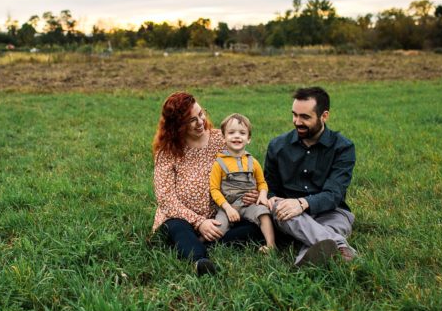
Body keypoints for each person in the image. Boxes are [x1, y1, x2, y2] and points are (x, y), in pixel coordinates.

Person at [152, 92, 265, 276]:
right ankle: (199, 260)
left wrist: (251, 192)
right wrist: (199, 223)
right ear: (177, 125)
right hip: (182, 217)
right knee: (177, 227)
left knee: (258, 224)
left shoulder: (220, 139)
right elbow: (166, 199)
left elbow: (245, 167)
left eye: (201, 114)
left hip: (222, 214)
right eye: (191, 120)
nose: (200, 122)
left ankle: (207, 240)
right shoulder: (167, 152)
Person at [264, 86, 357, 266]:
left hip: (331, 211)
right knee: (279, 207)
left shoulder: (343, 147)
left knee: (333, 226)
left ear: (324, 116)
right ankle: (341, 249)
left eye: (305, 117)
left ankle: (304, 265)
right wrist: (272, 198)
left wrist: (302, 204)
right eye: (294, 115)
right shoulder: (277, 146)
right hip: (289, 213)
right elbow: (270, 187)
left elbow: (334, 194)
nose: (297, 121)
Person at [209, 113, 276, 254]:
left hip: (248, 205)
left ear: (249, 139)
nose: (237, 136)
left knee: (263, 213)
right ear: (223, 138)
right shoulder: (219, 163)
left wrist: (263, 195)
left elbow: (262, 182)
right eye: (231, 132)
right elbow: (214, 189)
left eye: (242, 133)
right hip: (228, 206)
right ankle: (201, 242)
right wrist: (228, 208)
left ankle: (271, 245)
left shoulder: (253, 162)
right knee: (218, 229)